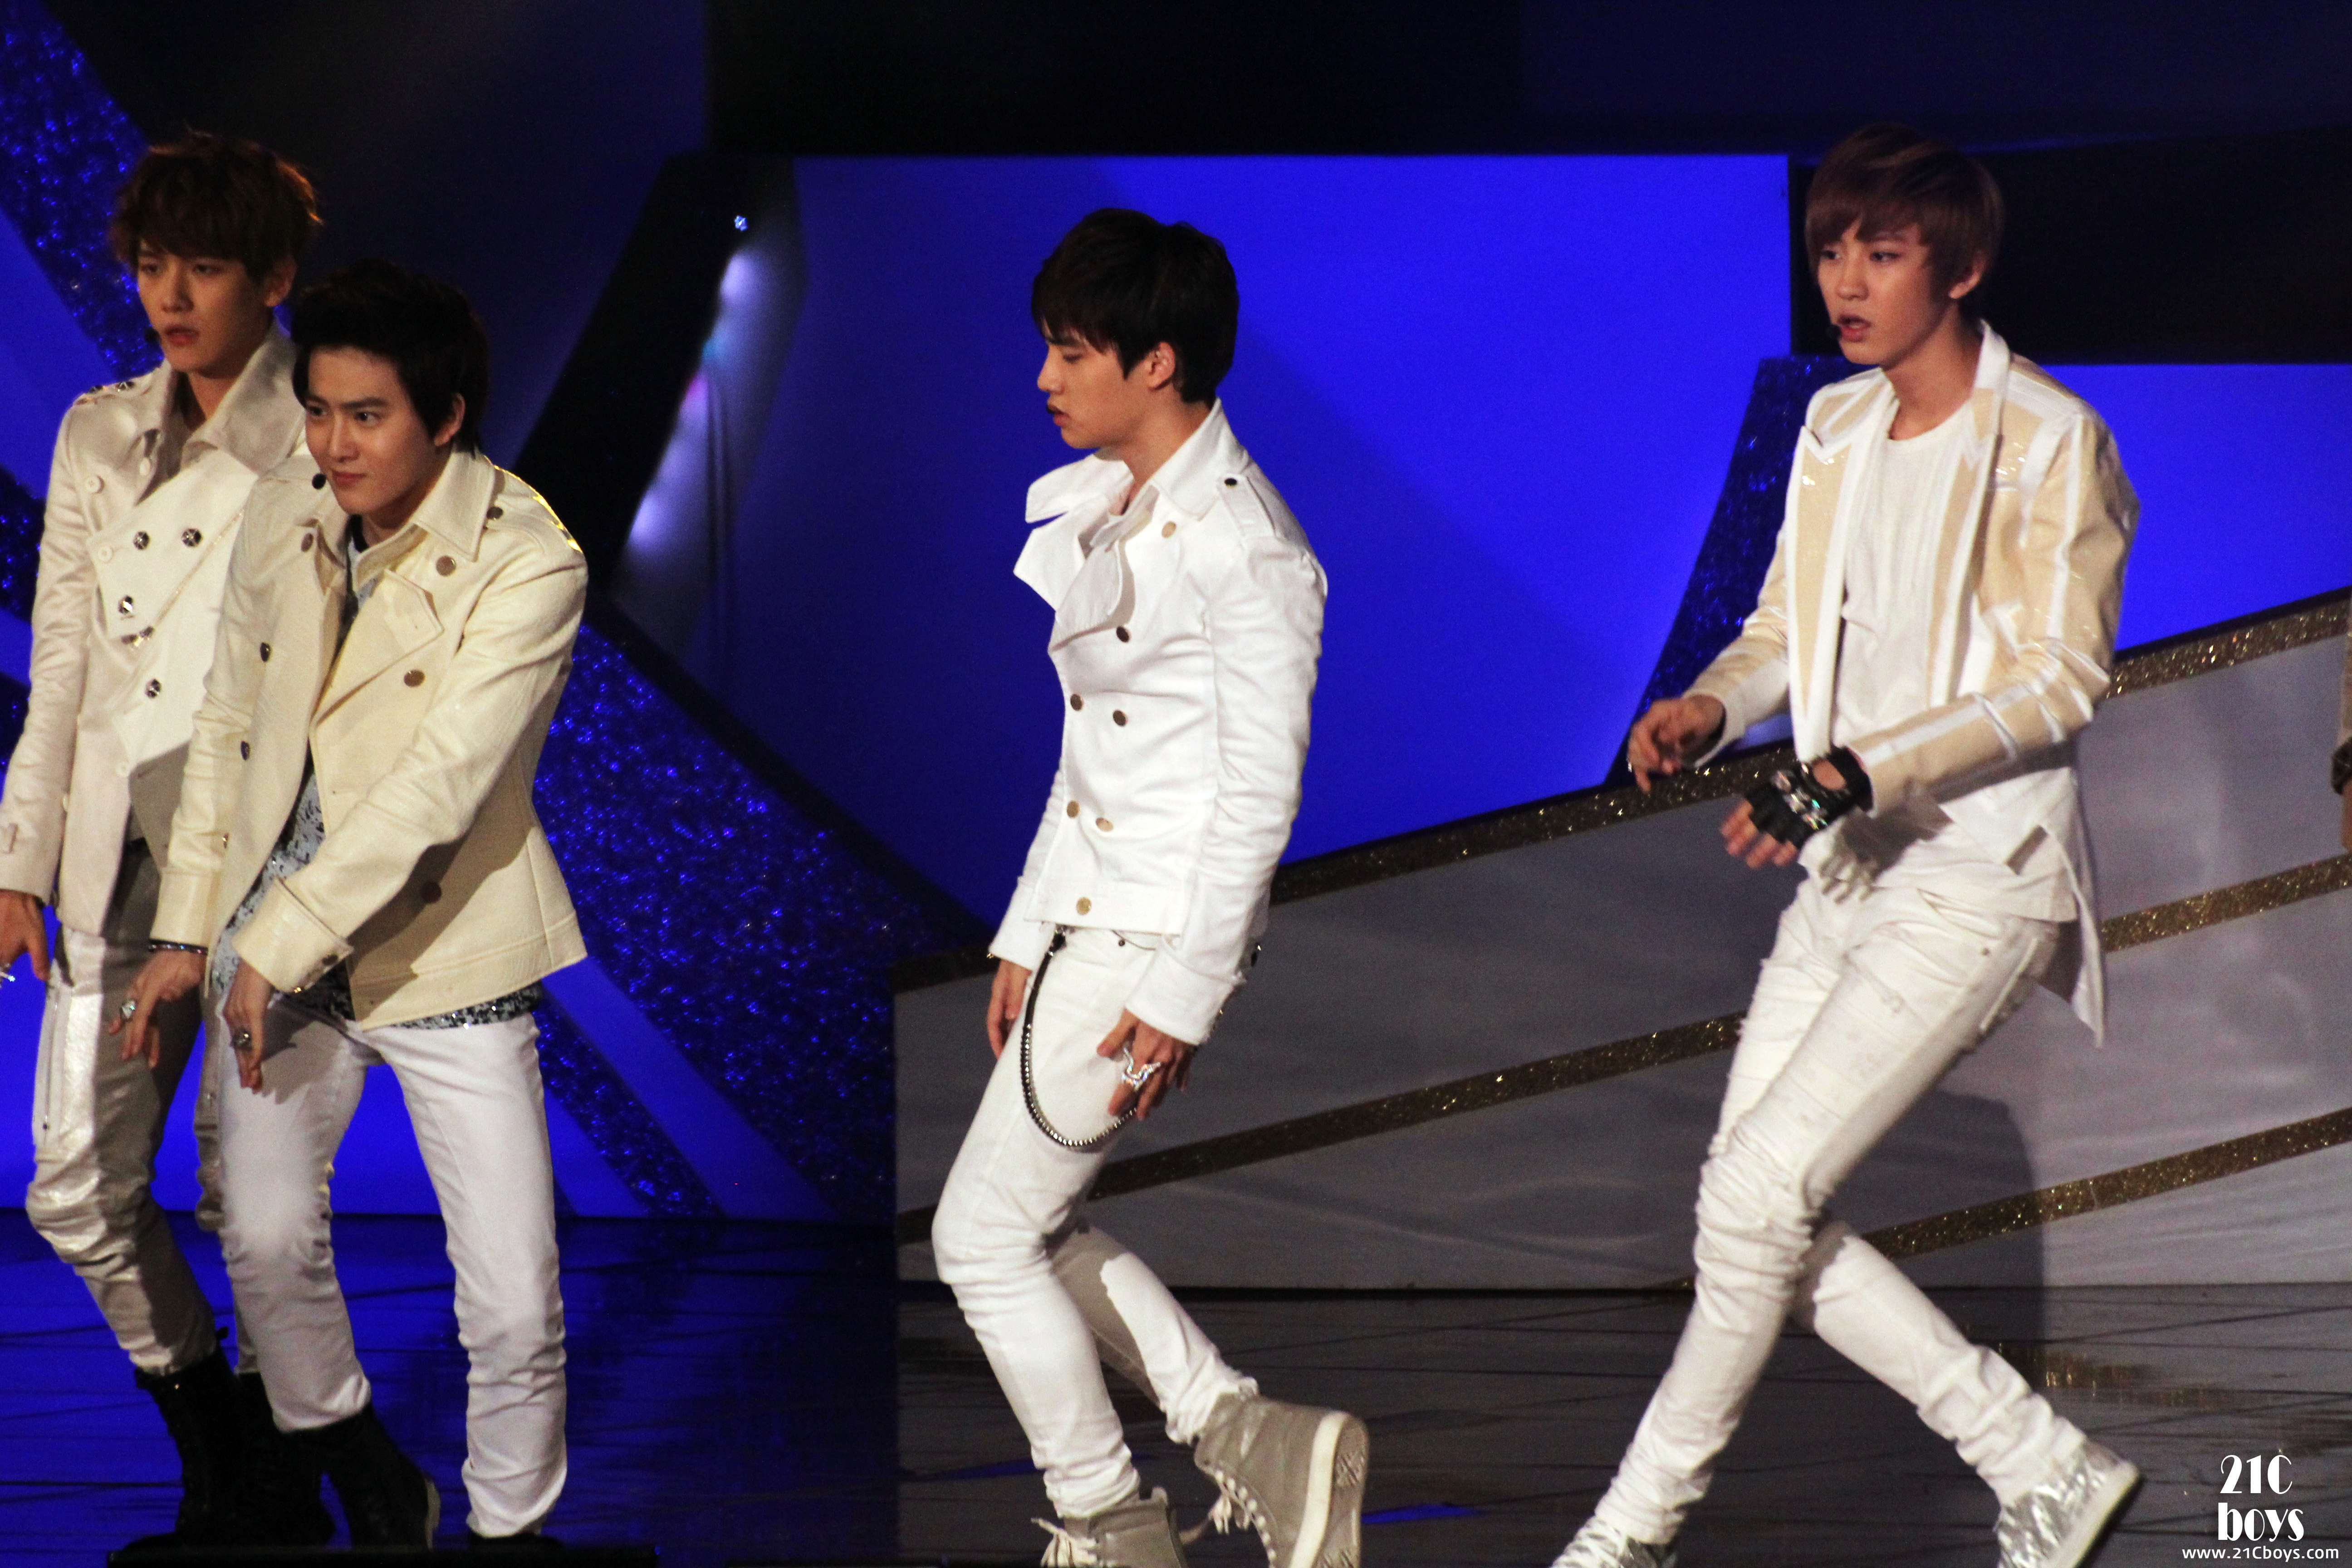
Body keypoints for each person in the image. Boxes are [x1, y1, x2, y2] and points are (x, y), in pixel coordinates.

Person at [1564, 125, 2141, 1568]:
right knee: (1748, 1212)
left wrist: (1851, 774)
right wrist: (1713, 703)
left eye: (1883, 252)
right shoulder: (1832, 428)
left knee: (1758, 1196)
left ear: (1964, 266)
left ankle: (1628, 1538)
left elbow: (2059, 681)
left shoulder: (2049, 440)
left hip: (1977, 877)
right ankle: (2041, 1463)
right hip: (1845, 869)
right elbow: (1784, 626)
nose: (1847, 280)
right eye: (1832, 249)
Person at [119, 259, 588, 1550]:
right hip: (273, 946)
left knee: (513, 1299)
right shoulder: (289, 507)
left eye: (368, 416)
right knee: (263, 1242)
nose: (334, 444)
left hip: (448, 945)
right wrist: (188, 929)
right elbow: (227, 725)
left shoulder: (529, 560)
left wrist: (269, 942)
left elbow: (438, 789)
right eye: (320, 411)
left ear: (447, 415)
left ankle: (511, 1533)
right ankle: (356, 1456)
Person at [929, 209, 1363, 1568]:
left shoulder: (1248, 547)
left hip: (1148, 939)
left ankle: (1109, 1518)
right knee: (1029, 1223)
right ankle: (1250, 1437)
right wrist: (1028, 927)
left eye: (1072, 351)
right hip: (1087, 924)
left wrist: (1182, 991)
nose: (1046, 377)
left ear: (1156, 361)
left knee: (981, 1239)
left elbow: (1256, 801)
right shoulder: (1120, 505)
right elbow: (1089, 758)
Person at [0, 132, 330, 1551]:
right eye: (151, 266)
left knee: (248, 1196)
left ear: (274, 276)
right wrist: (18, 859)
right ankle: (227, 1442)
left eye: (204, 267)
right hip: (107, 855)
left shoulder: (324, 429)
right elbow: (62, 665)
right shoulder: (98, 431)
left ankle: (268, 1484)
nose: (171, 296)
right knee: (76, 1185)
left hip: (262, 853)